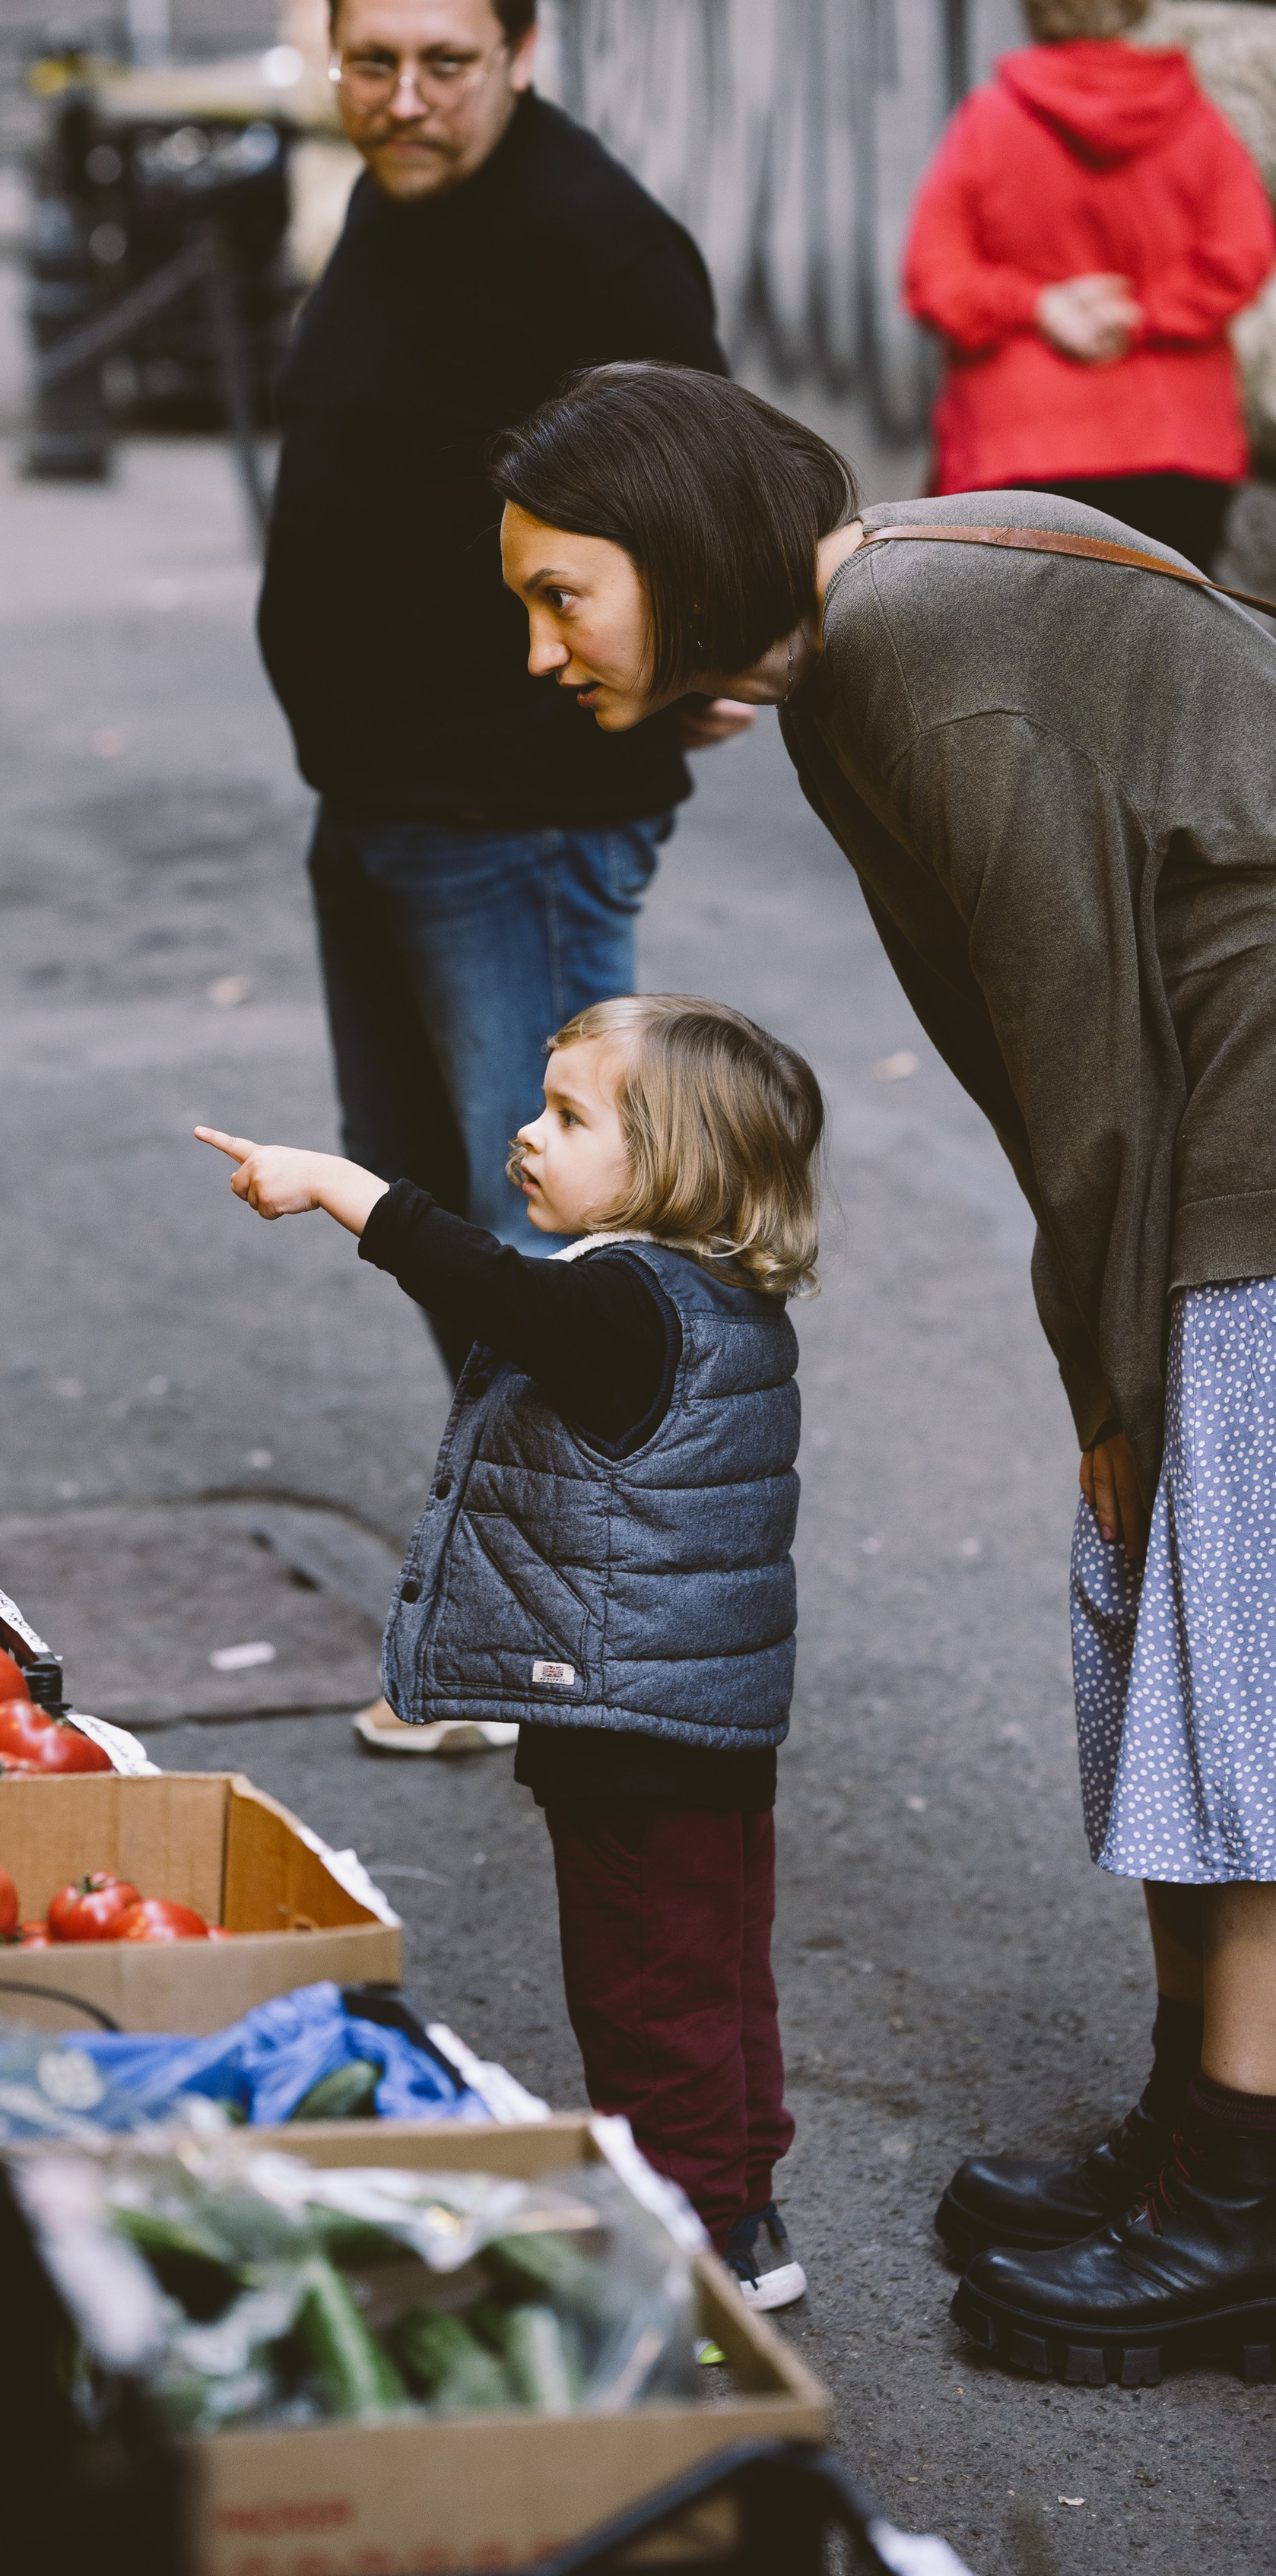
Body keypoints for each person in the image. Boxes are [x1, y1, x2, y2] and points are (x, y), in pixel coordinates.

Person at [489, 355, 1276, 2384]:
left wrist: (1118, 1393)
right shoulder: (869, 632)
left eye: (562, 594)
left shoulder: (919, 651)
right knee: (1174, 1643)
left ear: (669, 551)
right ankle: (1194, 2129)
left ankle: (1243, 2207)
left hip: (1245, 1160)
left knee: (1235, 1677)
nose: (538, 646)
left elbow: (1087, 1067)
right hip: (1210, 1146)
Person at [259, 0, 742, 1759]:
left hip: (516, 813)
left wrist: (667, 673)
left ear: (517, 46)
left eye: (442, 62)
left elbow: (699, 505)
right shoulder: (388, 204)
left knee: (547, 1228)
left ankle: (572, 1641)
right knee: (422, 1191)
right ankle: (517, 1608)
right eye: (368, 55)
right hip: (374, 797)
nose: (398, 97)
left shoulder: (593, 244)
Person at [196, 991, 824, 2308]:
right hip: (702, 1714)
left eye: (568, 1117)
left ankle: (692, 2261)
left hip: (635, 1733)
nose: (526, 1137)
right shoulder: (706, 1301)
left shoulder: (625, 1304)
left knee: (649, 2006)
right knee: (714, 1990)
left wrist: (340, 1189)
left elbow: (480, 1283)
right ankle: (742, 2217)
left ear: (670, 1164)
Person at [903, 0, 1274, 573]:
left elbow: (934, 278)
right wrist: (1141, 313)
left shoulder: (989, 123)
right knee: (1162, 666)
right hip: (1176, 450)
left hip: (1018, 457)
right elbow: (1242, 258)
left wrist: (1040, 307)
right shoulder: (1197, 124)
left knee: (1016, 666)